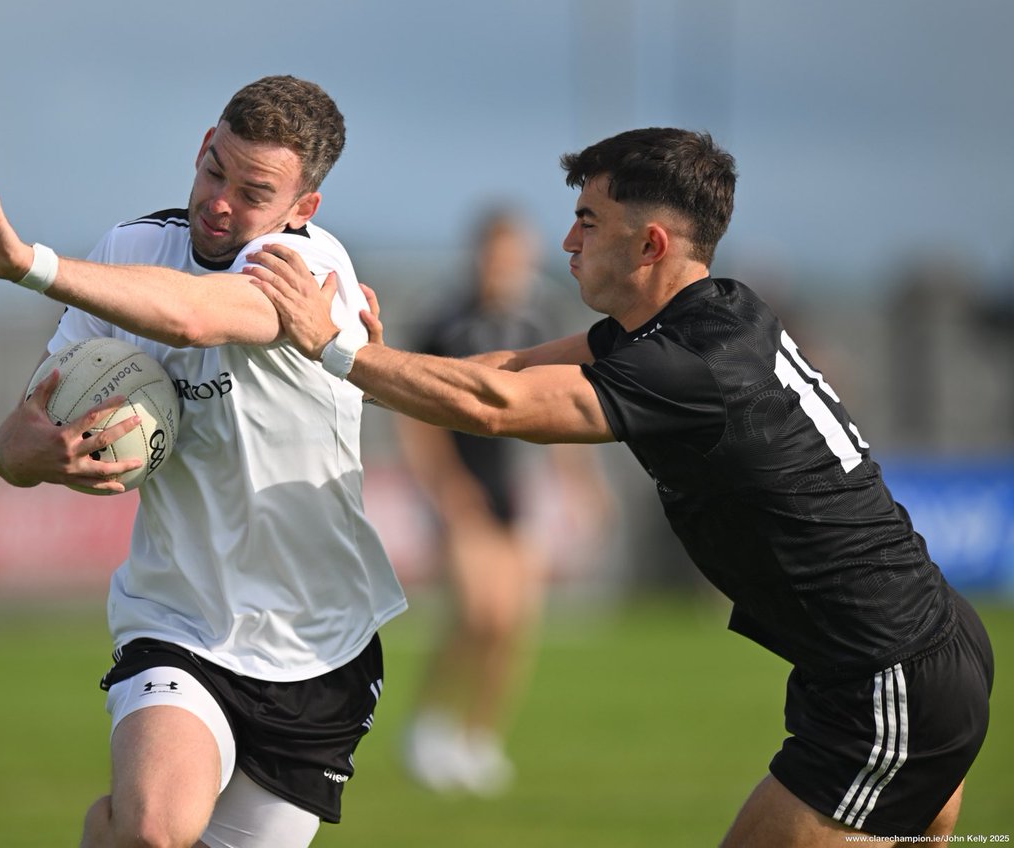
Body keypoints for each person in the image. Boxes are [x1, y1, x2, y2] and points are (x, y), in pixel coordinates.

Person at [243, 127, 995, 846]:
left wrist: (330, 347)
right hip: (914, 653)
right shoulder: (713, 313)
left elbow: (500, 408)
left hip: (884, 679)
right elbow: (502, 372)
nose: (567, 242)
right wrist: (379, 367)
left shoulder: (687, 366)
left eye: (586, 221)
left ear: (650, 243)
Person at [0, 75, 407, 848]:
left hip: (318, 644)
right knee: (153, 833)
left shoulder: (312, 271)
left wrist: (23, 263)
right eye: (216, 171)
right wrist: (32, 454)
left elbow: (190, 315)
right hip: (178, 621)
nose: (220, 202)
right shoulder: (133, 252)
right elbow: (12, 441)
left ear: (301, 209)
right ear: (204, 145)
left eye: (254, 191)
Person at [396, 207, 611, 796]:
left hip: (516, 492)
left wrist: (581, 483)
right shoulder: (446, 319)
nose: (504, 268)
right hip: (463, 490)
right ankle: (429, 724)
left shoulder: (538, 319)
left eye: (514, 257)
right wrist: (443, 486)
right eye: (496, 256)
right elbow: (417, 409)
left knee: (514, 625)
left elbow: (563, 404)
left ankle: (480, 737)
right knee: (477, 614)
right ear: (479, 257)